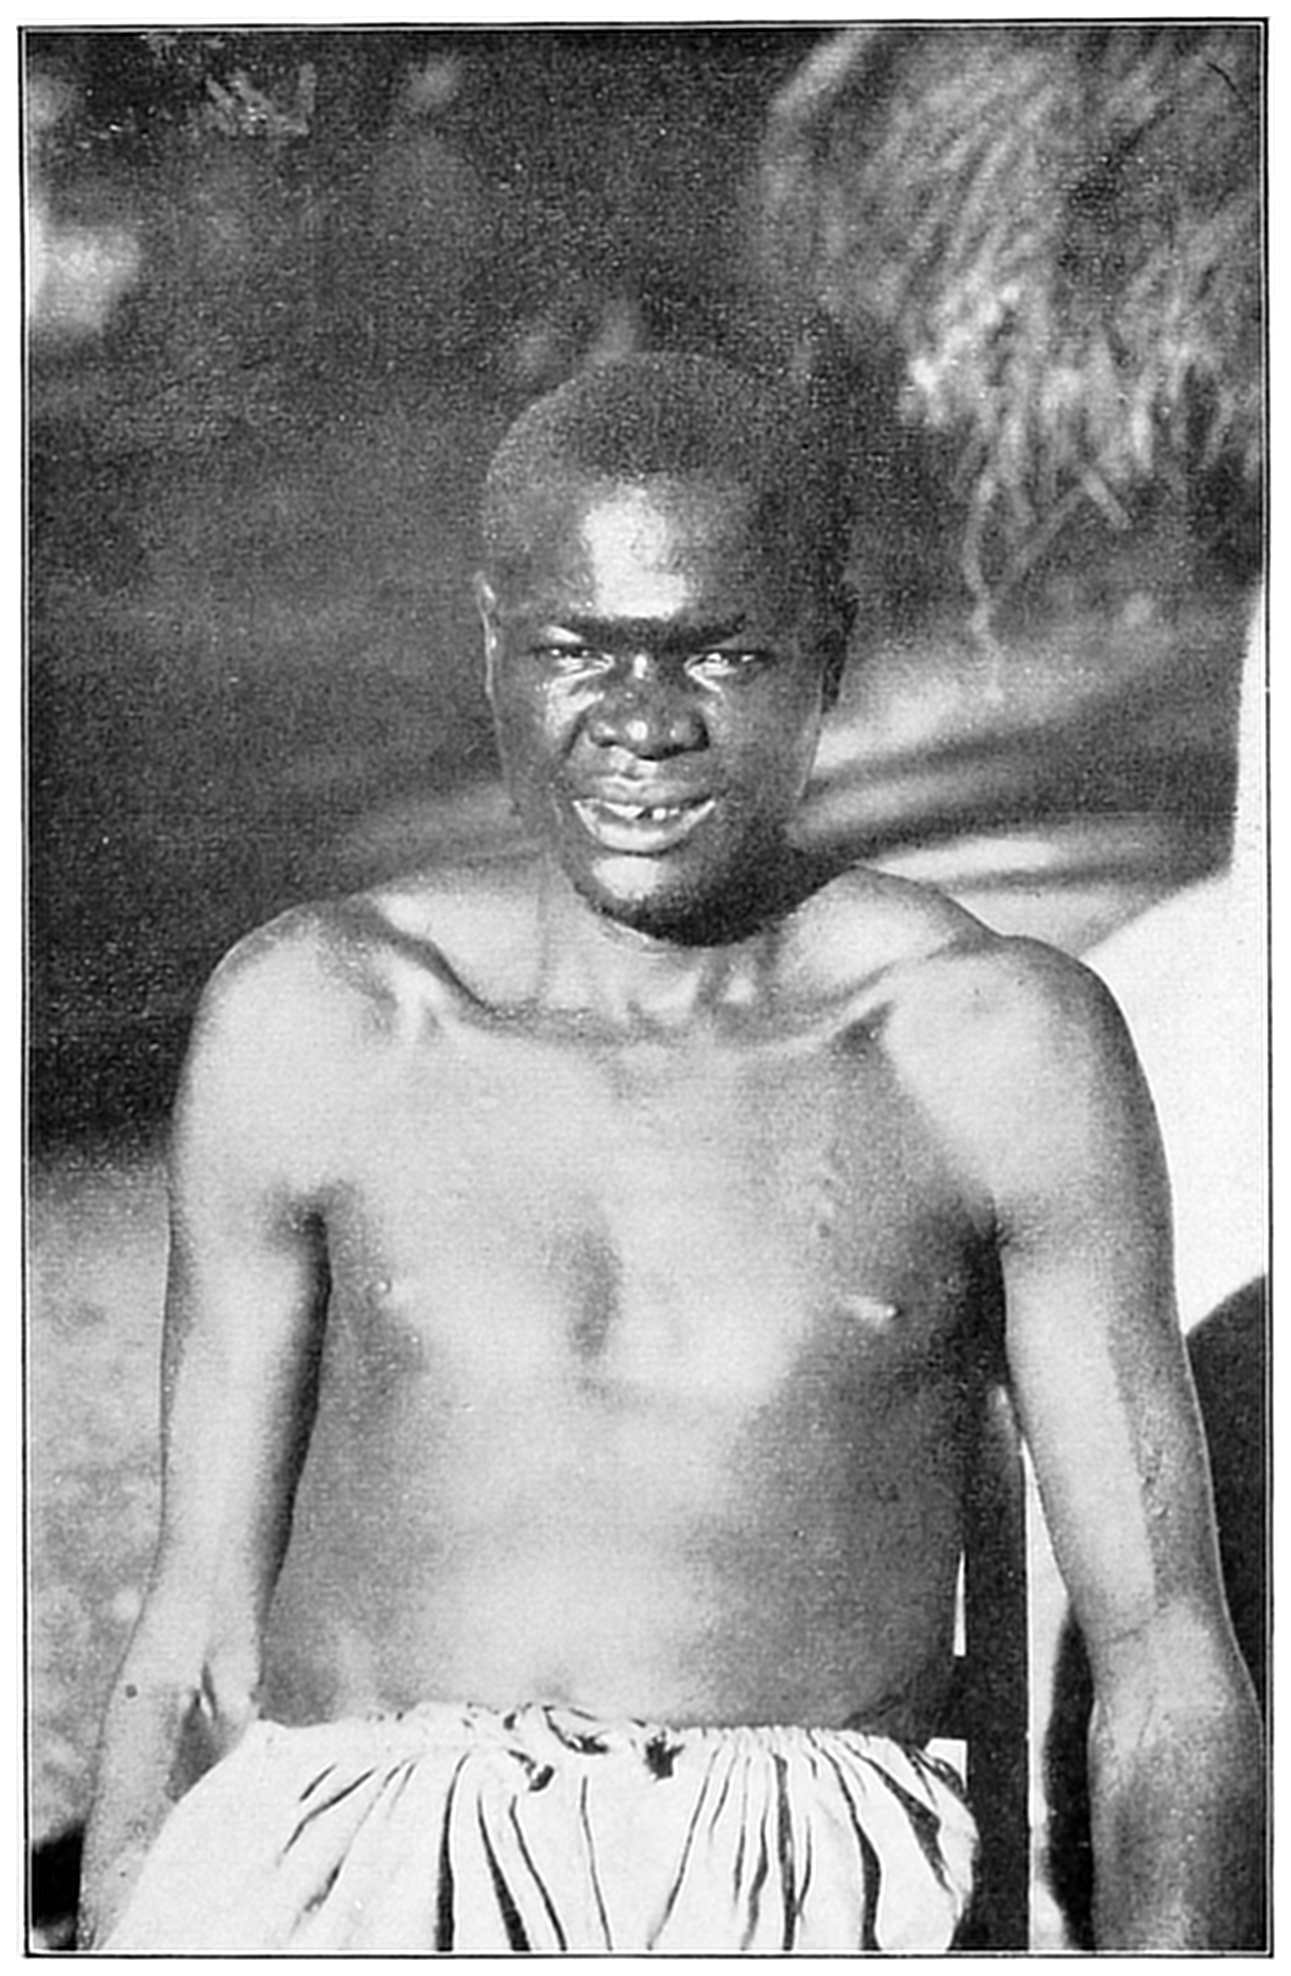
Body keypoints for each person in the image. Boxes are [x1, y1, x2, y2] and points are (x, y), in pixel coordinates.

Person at [78, 354, 1263, 1953]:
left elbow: (1164, 1657)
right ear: (493, 646)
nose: (642, 725)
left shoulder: (987, 1050)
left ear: (828, 654)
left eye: (719, 653)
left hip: (787, 1902)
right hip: (346, 1889)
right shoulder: (324, 1022)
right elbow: (195, 1640)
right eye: (578, 651)